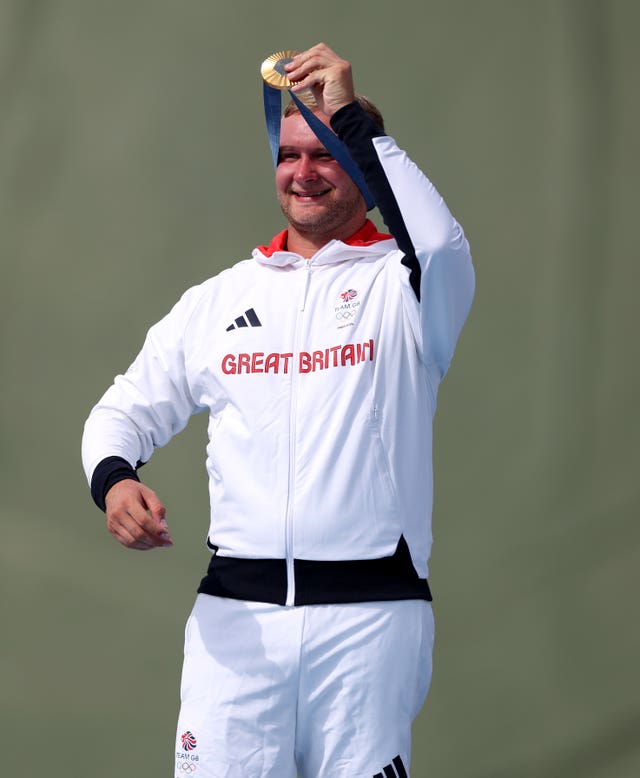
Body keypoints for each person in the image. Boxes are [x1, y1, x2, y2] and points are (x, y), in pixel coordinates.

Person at [82, 43, 475, 778]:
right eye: (290, 154)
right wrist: (115, 482)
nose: (303, 172)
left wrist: (351, 114)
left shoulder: (407, 285)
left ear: (359, 159)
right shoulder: (219, 300)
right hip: (235, 627)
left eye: (326, 152)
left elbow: (442, 243)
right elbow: (119, 412)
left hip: (370, 623)